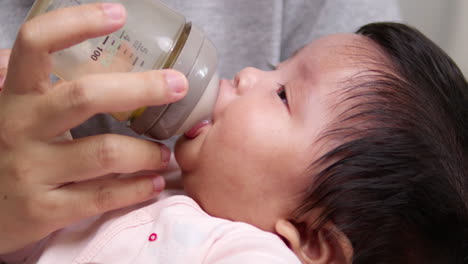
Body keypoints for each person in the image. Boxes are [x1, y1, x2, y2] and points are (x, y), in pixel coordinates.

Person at [2, 6, 468, 263]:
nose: (246, 74)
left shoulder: (246, 253)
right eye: (272, 67)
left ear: (309, 238)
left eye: (282, 93)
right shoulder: (144, 196)